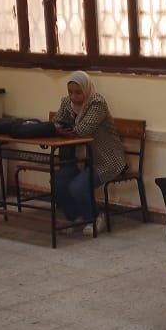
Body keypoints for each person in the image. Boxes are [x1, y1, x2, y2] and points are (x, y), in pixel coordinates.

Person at [53, 71, 126, 233]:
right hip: (78, 159)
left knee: (78, 187)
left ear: (87, 89)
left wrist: (65, 130)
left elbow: (83, 130)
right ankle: (75, 217)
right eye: (70, 92)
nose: (73, 97)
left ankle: (95, 217)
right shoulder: (66, 103)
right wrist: (60, 129)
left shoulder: (97, 103)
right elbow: (56, 123)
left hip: (105, 160)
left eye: (78, 92)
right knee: (59, 182)